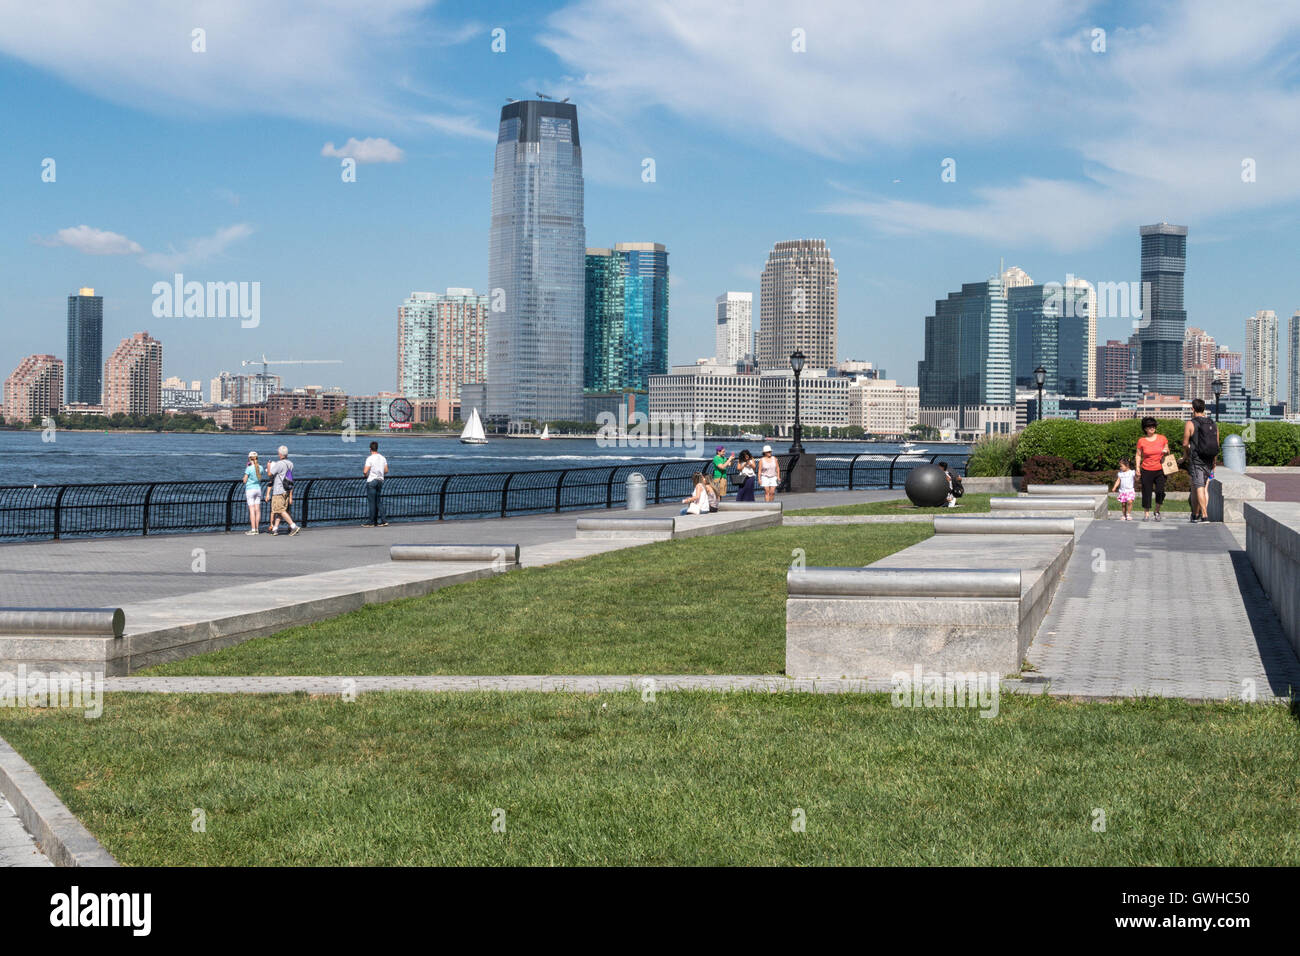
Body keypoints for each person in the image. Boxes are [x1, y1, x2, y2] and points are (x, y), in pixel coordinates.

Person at [1182, 398, 1220, 523]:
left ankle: (1204, 515)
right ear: (1204, 409)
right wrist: (1214, 461)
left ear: (1193, 409)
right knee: (1198, 486)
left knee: (1199, 487)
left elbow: (1185, 443)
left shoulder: (1190, 423)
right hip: (1209, 459)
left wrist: (1185, 455)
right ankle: (1195, 514)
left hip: (1197, 459)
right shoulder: (1212, 423)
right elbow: (1216, 444)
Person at [1135, 417, 1170, 522]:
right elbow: (1138, 455)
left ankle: (1157, 511)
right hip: (1146, 469)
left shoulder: (1162, 438)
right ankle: (1146, 513)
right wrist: (1137, 468)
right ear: (1145, 428)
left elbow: (1168, 452)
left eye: (1154, 426)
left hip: (1160, 469)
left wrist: (1166, 451)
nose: (1152, 428)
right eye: (1149, 426)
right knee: (1147, 492)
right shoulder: (1141, 441)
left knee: (1160, 491)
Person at [265, 445, 301, 536]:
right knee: (280, 510)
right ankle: (275, 529)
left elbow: (270, 474)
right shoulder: (290, 464)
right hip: (286, 490)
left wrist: (268, 466)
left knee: (280, 510)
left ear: (280, 454)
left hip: (278, 490)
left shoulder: (279, 464)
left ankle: (293, 526)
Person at [363, 440, 389, 527]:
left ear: (370, 449)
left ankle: (371, 522)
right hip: (380, 480)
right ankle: (384, 520)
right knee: (378, 501)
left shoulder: (369, 458)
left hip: (372, 481)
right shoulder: (383, 458)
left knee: (371, 502)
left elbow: (365, 471)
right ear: (377, 448)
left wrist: (367, 476)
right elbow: (386, 470)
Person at [241, 451, 263, 535]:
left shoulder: (249, 468)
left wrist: (247, 467)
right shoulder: (260, 467)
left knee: (252, 510)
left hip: (250, 490)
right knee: (258, 510)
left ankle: (253, 529)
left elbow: (244, 480)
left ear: (250, 459)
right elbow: (259, 477)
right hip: (258, 489)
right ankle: (257, 529)